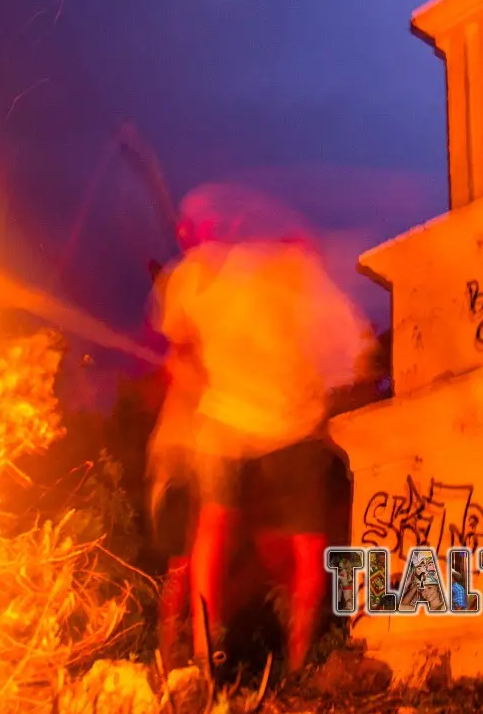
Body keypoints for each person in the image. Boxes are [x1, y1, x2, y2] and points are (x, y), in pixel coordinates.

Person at [147, 182, 377, 675]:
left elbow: (353, 351)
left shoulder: (274, 274)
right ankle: (220, 654)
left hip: (276, 423)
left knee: (244, 534)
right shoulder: (206, 274)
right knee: (220, 534)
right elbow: (357, 353)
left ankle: (232, 654)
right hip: (243, 422)